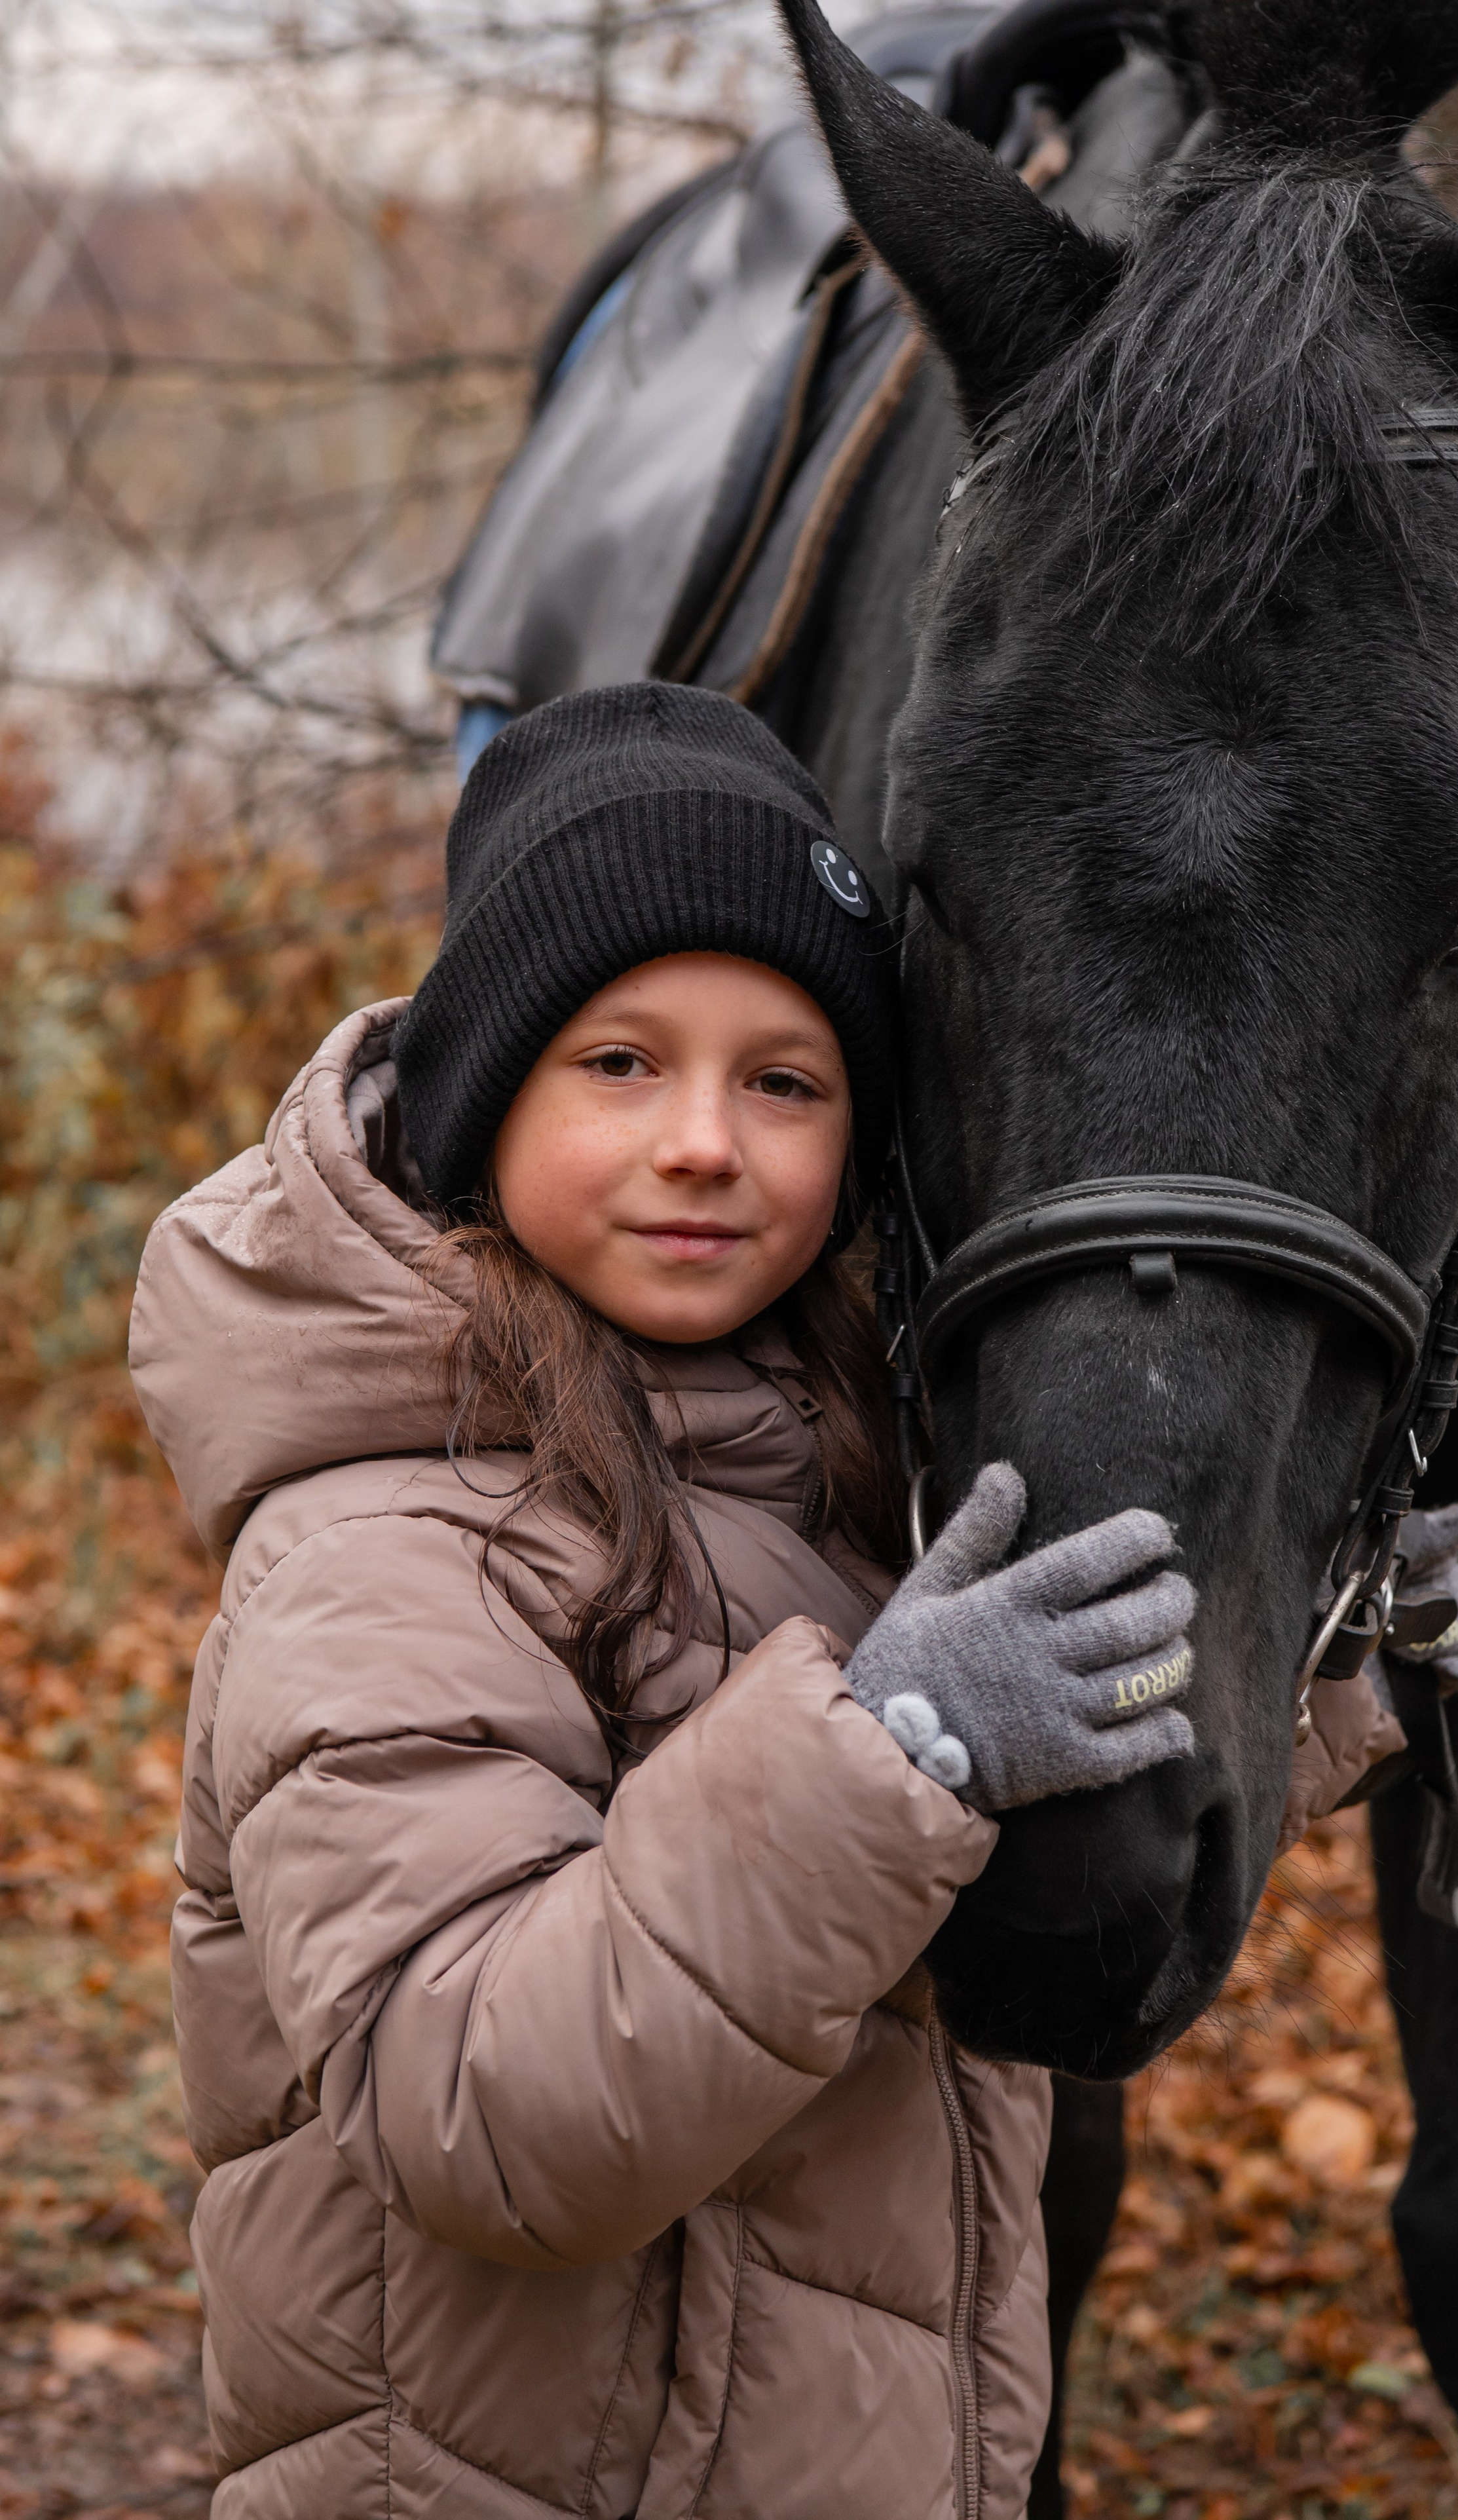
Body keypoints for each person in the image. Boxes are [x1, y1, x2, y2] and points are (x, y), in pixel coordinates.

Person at [129, 684, 1203, 2520]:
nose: (706, 1140)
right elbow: (477, 2100)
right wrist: (901, 1747)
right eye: (619, 1063)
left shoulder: (828, 1456)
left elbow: (970, 1806)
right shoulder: (388, 1541)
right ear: (485, 1099)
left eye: (783, 1081)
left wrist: (1318, 1674)